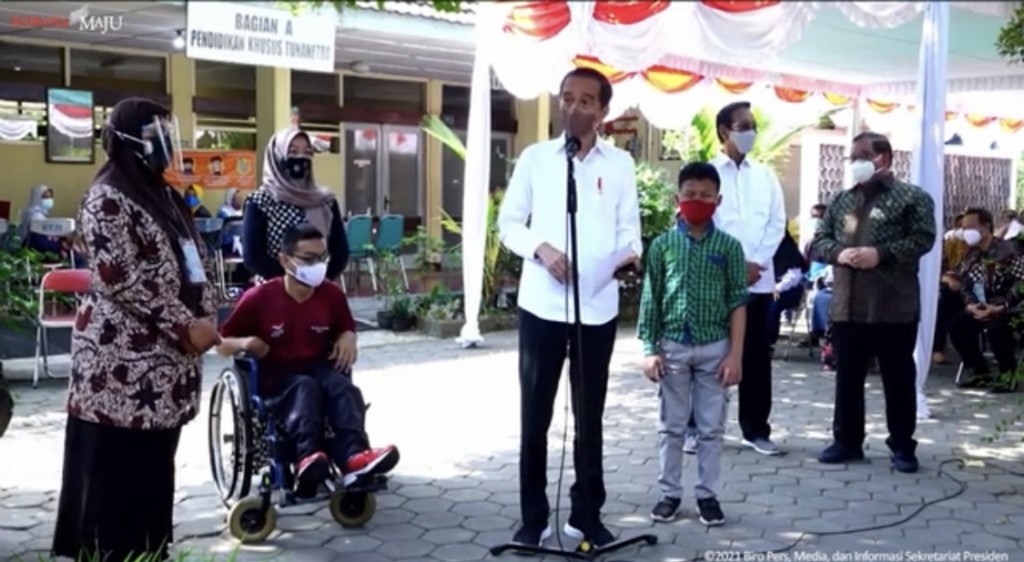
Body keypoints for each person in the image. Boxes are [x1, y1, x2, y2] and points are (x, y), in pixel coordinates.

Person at [52, 98, 221, 561]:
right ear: (128, 140)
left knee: (152, 468)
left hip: (163, 366)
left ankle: (149, 550)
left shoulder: (160, 192)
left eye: (170, 130)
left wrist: (203, 320)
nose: (167, 142)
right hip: (121, 367)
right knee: (114, 472)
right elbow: (118, 276)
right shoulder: (108, 195)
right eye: (156, 133)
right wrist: (185, 324)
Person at [497, 67, 642, 548]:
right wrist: (542, 249)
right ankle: (533, 519)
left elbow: (629, 231)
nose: (573, 107)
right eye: (567, 98)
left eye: (585, 101)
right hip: (541, 306)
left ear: (602, 111)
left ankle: (586, 515)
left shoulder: (618, 166)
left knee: (589, 416)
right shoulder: (536, 159)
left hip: (596, 307)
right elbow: (509, 223)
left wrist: (627, 257)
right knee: (534, 416)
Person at [217, 223, 399, 496]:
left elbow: (346, 326)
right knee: (305, 388)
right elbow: (221, 344)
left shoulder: (331, 295)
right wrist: (246, 343)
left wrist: (349, 335)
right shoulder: (259, 299)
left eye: (322, 257)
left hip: (320, 369)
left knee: (343, 388)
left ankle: (353, 458)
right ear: (284, 259)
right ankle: (308, 458)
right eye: (308, 259)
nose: (318, 265)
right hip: (277, 378)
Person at [811, 131, 936, 473]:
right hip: (848, 303)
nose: (856, 163)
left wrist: (879, 254)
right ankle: (847, 442)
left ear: (885, 158)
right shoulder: (841, 199)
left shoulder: (913, 198)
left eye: (863, 156)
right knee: (847, 377)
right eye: (852, 157)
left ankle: (902, 446)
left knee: (897, 378)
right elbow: (819, 240)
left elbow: (924, 239)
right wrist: (840, 252)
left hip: (893, 305)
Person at [639, 162, 747, 527]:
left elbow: (737, 301)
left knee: (711, 427)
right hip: (672, 347)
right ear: (677, 199)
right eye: (689, 196)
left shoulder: (730, 247)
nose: (697, 202)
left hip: (715, 349)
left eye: (705, 196)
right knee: (670, 425)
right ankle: (669, 493)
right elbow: (651, 298)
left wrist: (735, 354)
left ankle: (708, 495)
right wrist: (648, 349)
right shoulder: (662, 246)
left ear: (718, 200)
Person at [708, 101, 787, 456]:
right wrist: (731, 265)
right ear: (725, 130)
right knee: (710, 354)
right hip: (715, 281)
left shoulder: (765, 176)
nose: (750, 132)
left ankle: (755, 429)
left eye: (753, 125)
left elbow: (777, 223)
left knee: (756, 355)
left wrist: (756, 261)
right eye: (744, 125)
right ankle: (702, 428)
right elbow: (700, 222)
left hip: (757, 280)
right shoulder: (707, 173)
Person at [243, 128, 349, 281]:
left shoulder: (326, 201)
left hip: (320, 288)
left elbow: (340, 253)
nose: (301, 158)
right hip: (275, 291)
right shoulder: (261, 202)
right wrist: (295, 278)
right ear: (277, 158)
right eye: (292, 152)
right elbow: (253, 258)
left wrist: (319, 278)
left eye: (306, 152)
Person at [947, 207, 1024, 393]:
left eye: (971, 227)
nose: (966, 232)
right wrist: (971, 305)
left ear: (986, 227)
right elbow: (966, 284)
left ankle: (1007, 374)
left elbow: (1021, 283)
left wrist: (1001, 306)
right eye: (964, 228)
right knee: (957, 325)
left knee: (998, 327)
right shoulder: (971, 256)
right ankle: (980, 372)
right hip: (982, 306)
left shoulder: (1009, 250)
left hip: (1011, 308)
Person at [768, 230, 808, 349]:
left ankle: (769, 341)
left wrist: (775, 289)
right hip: (767, 288)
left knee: (772, 303)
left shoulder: (789, 250)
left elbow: (793, 277)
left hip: (788, 290)